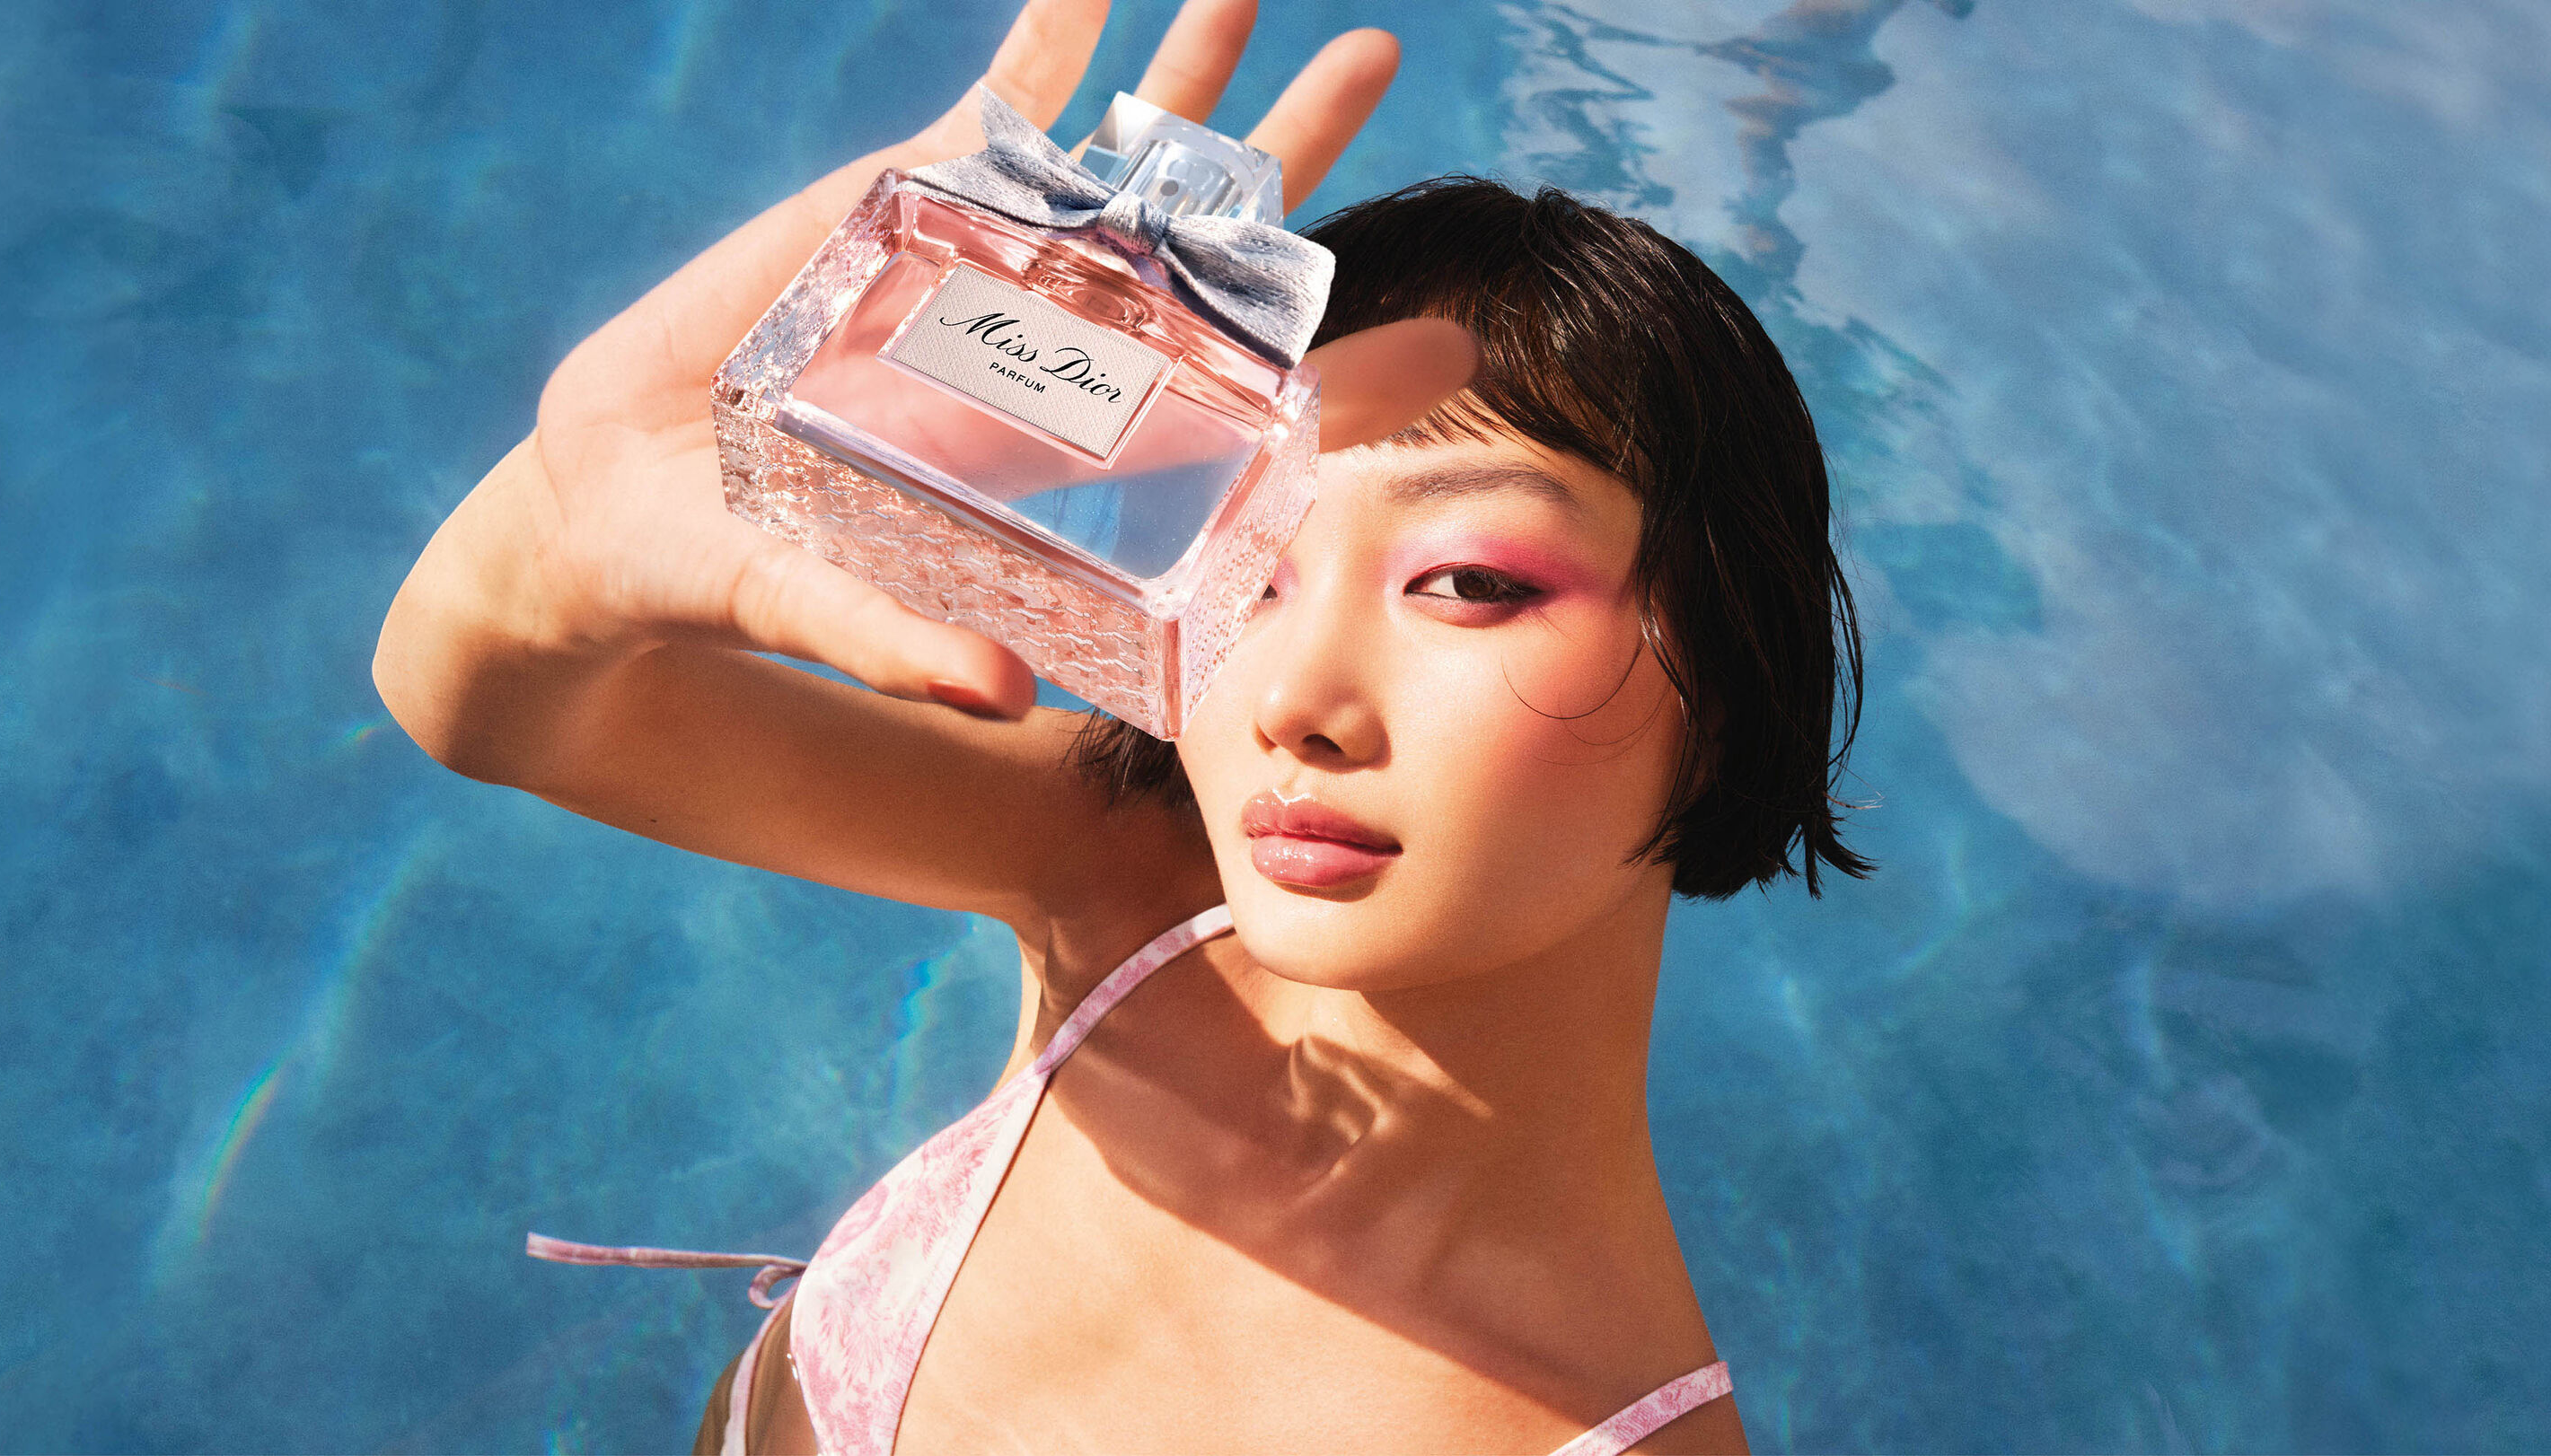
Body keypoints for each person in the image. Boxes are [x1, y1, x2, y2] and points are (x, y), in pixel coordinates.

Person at [374, 0, 1867, 1450]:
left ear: (1733, 676)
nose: (1294, 699)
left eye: (1467, 581)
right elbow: (482, 700)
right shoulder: (1130, 886)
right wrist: (577, 511)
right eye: (1246, 561)